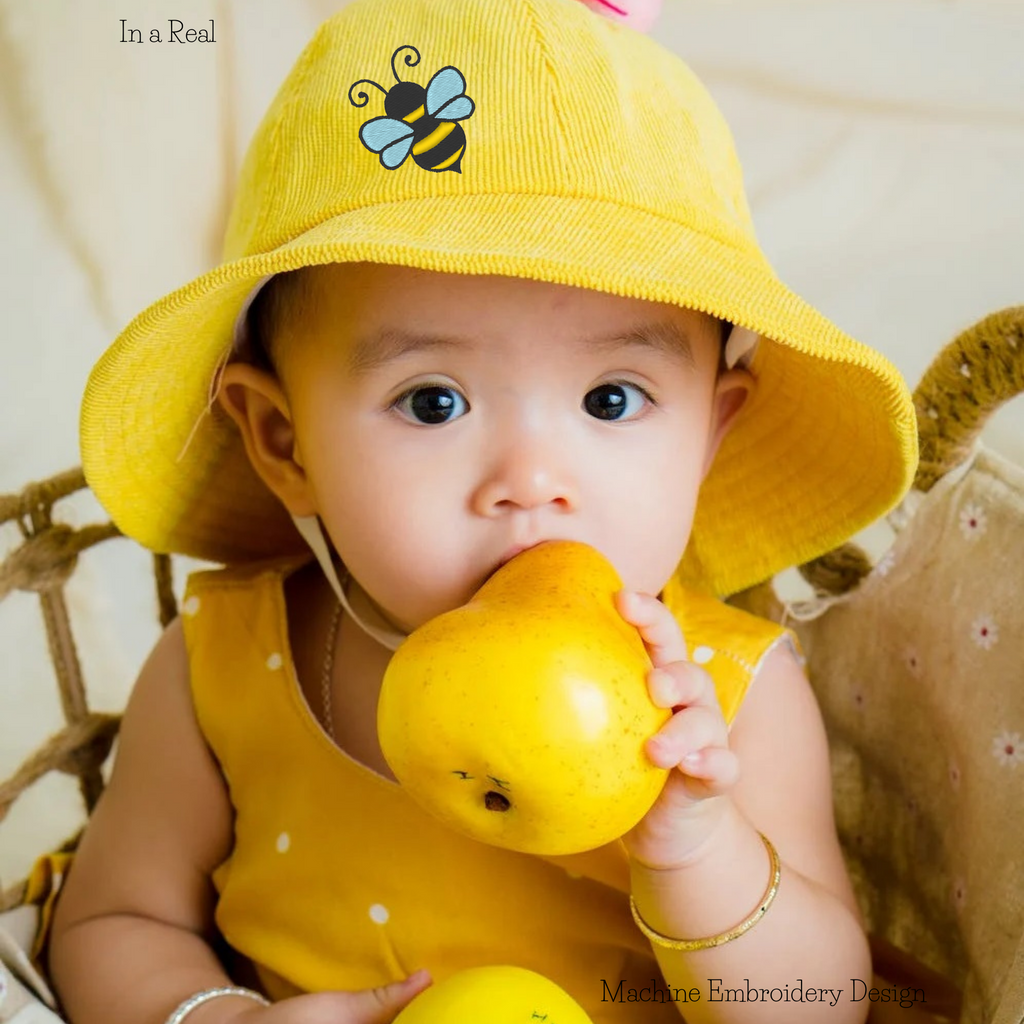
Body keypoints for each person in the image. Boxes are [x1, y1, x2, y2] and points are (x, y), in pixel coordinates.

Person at [44, 0, 919, 1022]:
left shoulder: (725, 701)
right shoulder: (223, 667)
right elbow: (112, 924)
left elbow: (820, 1006)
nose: (530, 479)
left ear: (710, 433)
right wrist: (218, 1016)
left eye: (611, 398)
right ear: (284, 442)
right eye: (433, 401)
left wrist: (702, 849)